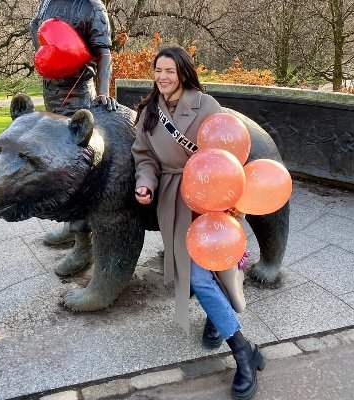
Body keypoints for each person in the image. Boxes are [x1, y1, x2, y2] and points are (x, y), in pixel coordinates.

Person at [131, 46, 265, 400]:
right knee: (199, 274)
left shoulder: (206, 106)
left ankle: (243, 352)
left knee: (204, 273)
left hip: (210, 197)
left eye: (170, 71)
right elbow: (144, 156)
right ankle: (221, 323)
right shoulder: (147, 112)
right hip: (174, 200)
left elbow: (229, 151)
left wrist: (230, 201)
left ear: (183, 73)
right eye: (158, 70)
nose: (162, 77)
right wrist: (144, 182)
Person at [30, 0, 117, 275]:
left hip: (78, 95)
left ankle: (84, 244)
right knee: (56, 161)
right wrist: (50, 59)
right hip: (51, 91)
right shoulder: (47, 2)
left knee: (76, 168)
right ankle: (70, 224)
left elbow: (104, 54)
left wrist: (103, 93)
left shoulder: (92, 7)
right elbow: (36, 27)